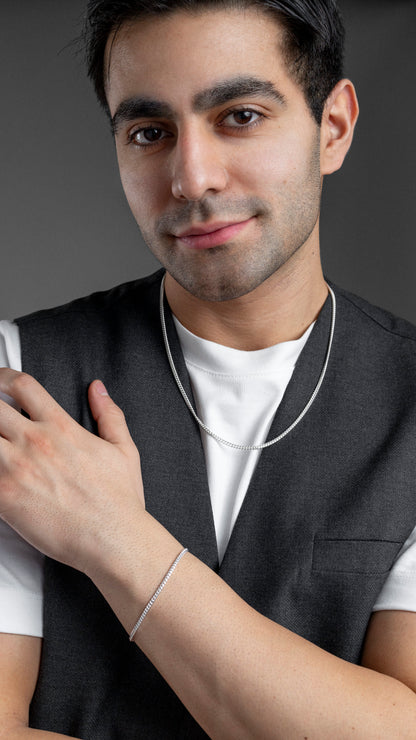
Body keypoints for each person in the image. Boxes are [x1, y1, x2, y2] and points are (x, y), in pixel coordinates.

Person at [1, 0, 416, 736]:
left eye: (240, 116)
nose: (191, 178)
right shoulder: (19, 374)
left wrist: (114, 540)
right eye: (150, 132)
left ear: (334, 127)